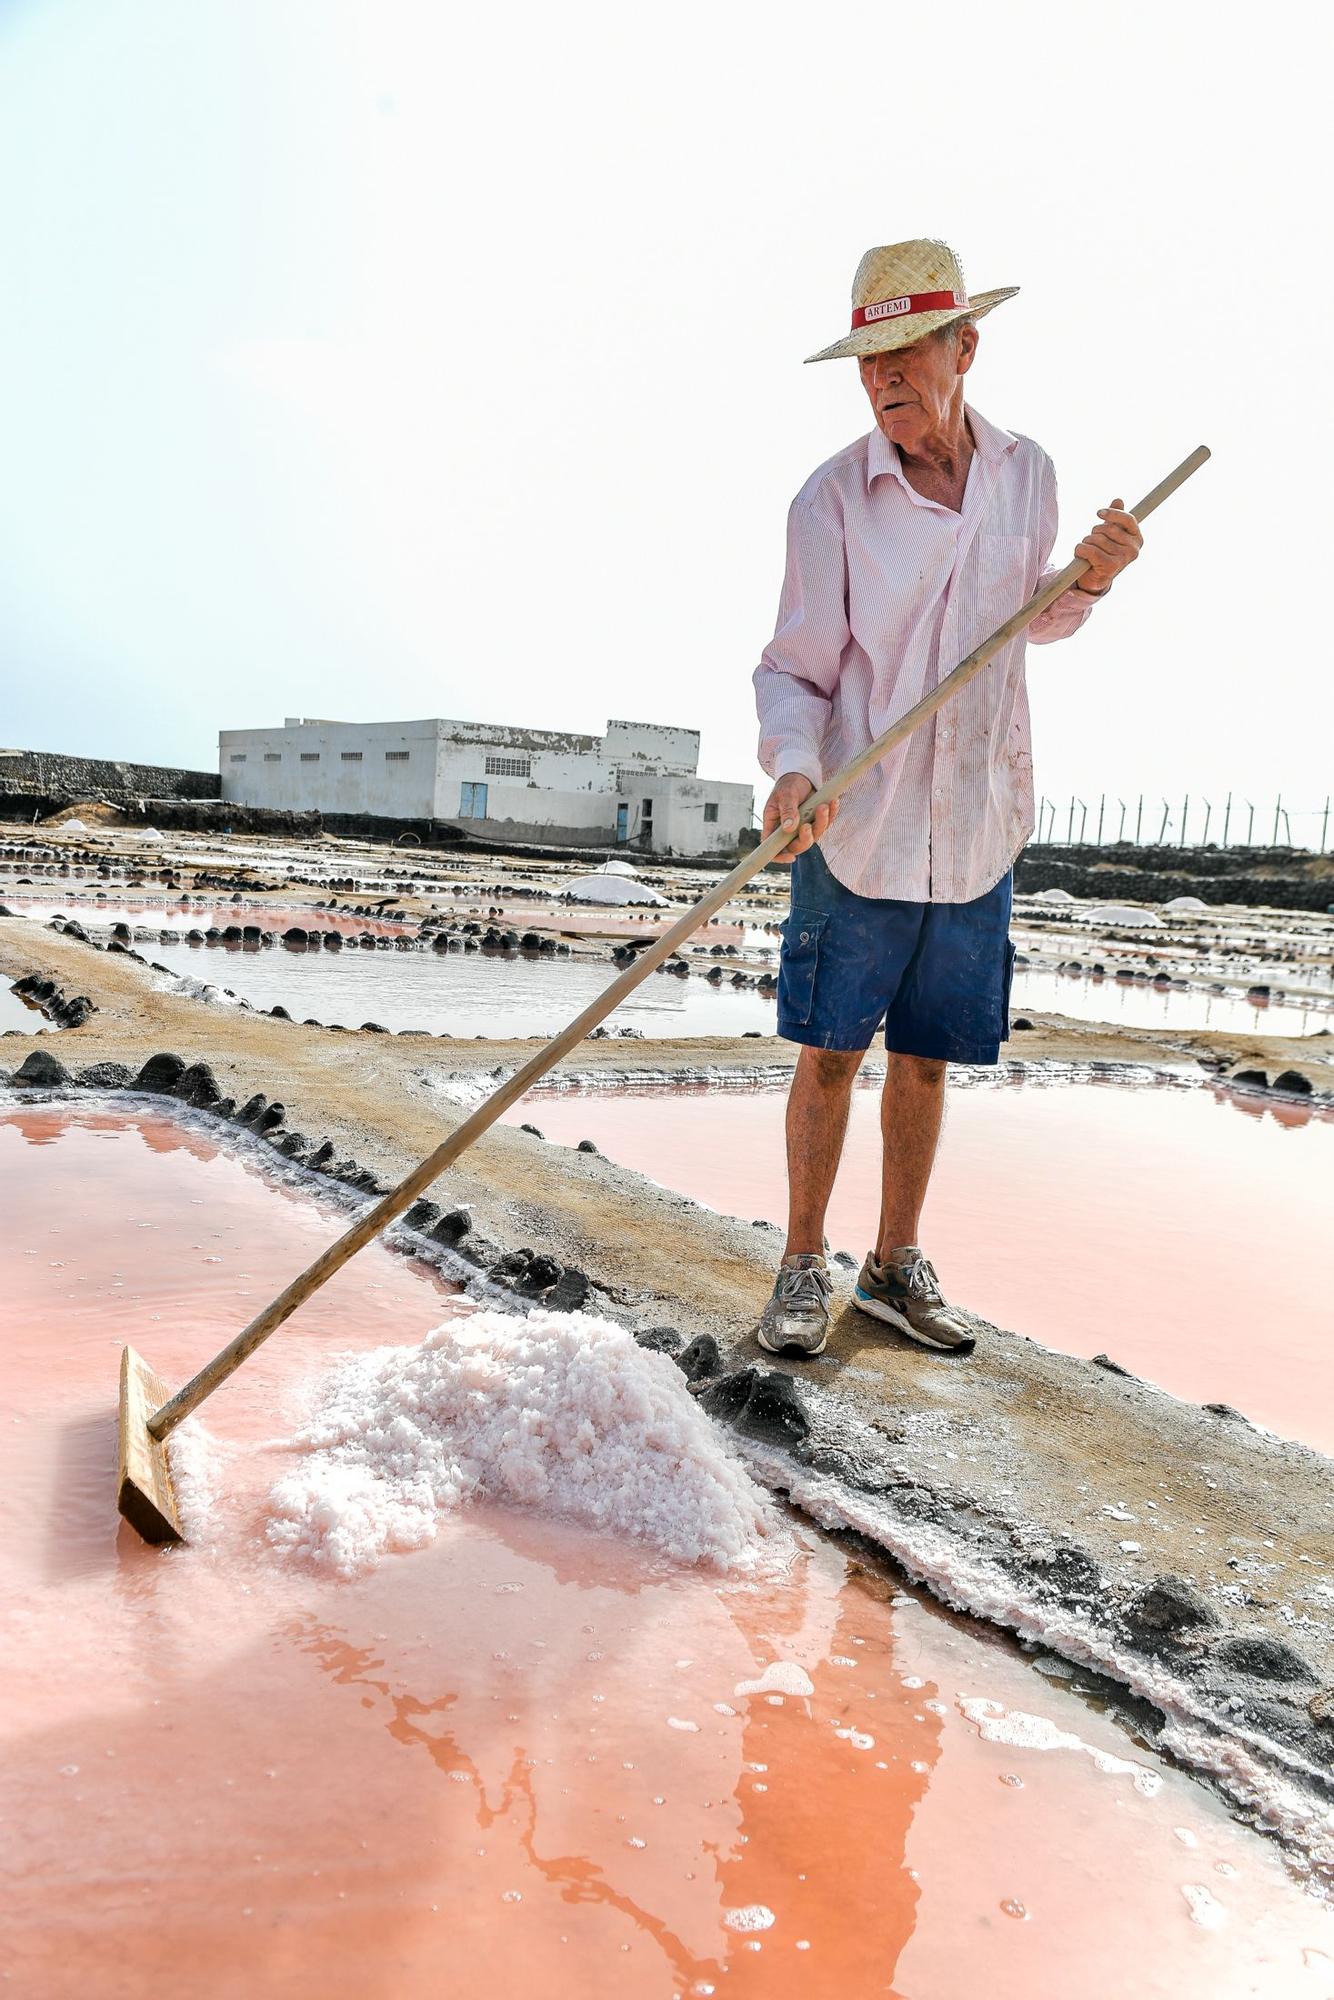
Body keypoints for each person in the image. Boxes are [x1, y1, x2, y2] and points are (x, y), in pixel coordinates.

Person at [753, 238, 1142, 1360]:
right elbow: (793, 669)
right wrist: (790, 769)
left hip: (974, 818)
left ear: (962, 347)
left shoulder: (1026, 473)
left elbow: (1034, 622)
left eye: (901, 352)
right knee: (830, 1048)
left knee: (925, 1055)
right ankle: (798, 1263)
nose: (881, 378)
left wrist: (1091, 577)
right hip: (858, 820)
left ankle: (889, 1264)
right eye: (864, 359)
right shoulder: (829, 499)